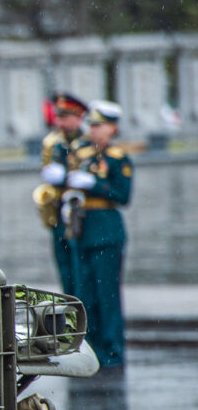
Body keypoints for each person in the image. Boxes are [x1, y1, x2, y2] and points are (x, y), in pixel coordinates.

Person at [65, 100, 131, 369]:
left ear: (113, 128)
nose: (93, 131)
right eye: (91, 126)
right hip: (83, 231)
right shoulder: (83, 156)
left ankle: (113, 351)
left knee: (108, 296)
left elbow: (123, 195)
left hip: (106, 231)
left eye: (98, 125)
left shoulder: (118, 158)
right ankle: (91, 350)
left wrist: (96, 185)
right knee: (85, 295)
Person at [35, 92, 88, 295]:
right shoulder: (53, 141)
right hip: (58, 213)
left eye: (64, 118)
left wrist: (65, 175)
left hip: (79, 212)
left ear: (78, 117)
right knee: (65, 271)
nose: (59, 123)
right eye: (58, 117)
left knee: (81, 274)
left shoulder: (87, 142)